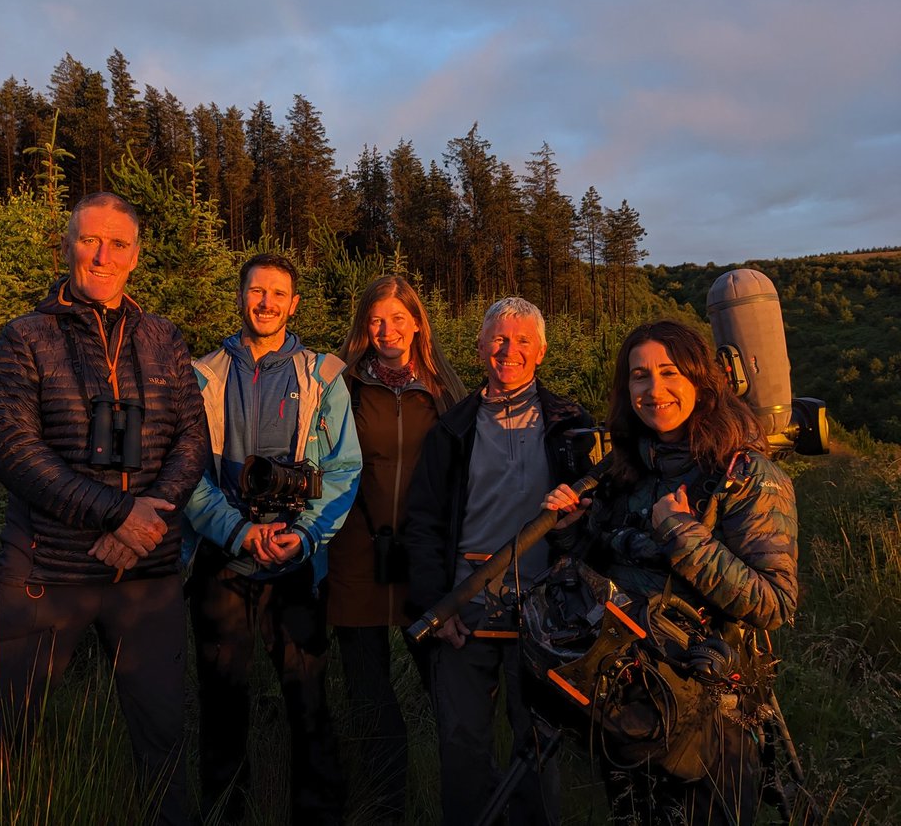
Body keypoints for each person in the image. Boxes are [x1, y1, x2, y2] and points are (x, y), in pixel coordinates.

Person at [0, 193, 207, 826]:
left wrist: (145, 520)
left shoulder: (163, 338)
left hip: (146, 574)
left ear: (136, 255)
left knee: (162, 740)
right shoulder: (25, 338)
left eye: (118, 244)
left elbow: (192, 439)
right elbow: (16, 451)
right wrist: (114, 514)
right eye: (90, 240)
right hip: (47, 570)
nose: (103, 255)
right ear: (67, 244)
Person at [541, 320, 799, 826]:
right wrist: (571, 532)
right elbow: (604, 568)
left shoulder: (745, 476)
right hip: (627, 702)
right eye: (640, 376)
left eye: (669, 372)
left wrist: (684, 536)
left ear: (701, 381)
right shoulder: (627, 469)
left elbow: (775, 603)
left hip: (710, 713)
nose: (654, 390)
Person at [183, 252, 362, 825]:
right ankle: (225, 815)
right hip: (223, 559)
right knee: (222, 704)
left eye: (277, 294)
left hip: (295, 564)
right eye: (256, 292)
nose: (266, 303)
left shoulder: (322, 376)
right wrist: (237, 530)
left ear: (294, 304)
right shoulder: (204, 375)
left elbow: (343, 470)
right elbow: (185, 473)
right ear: (241, 297)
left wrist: (305, 536)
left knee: (309, 706)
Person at [404, 297, 593, 826]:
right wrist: (437, 608)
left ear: (542, 350)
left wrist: (579, 524)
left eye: (522, 341)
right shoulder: (452, 429)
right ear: (482, 346)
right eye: (499, 340)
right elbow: (422, 524)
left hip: (546, 615)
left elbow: (601, 521)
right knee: (462, 745)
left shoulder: (571, 425)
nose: (509, 351)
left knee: (538, 746)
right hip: (467, 613)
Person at [325, 275, 467, 823]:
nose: (387, 330)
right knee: (370, 696)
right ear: (365, 325)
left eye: (398, 318)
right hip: (356, 557)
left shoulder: (442, 387)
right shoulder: (344, 385)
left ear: (416, 323)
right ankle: (385, 806)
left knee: (444, 686)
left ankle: (464, 797)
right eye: (377, 320)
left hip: (423, 559)